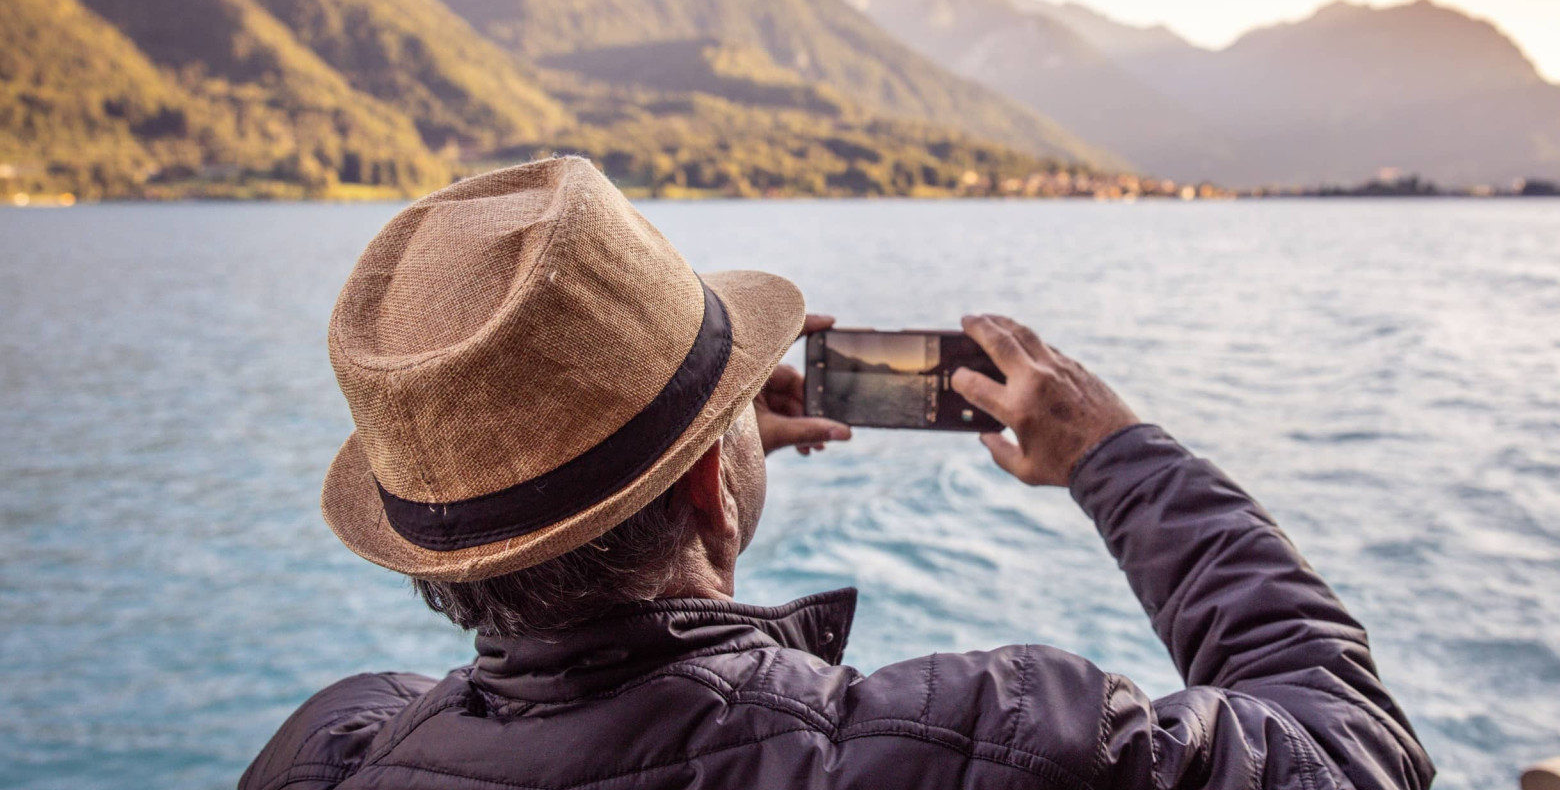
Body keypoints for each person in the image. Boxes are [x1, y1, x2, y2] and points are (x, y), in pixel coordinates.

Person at [241, 157, 1434, 790]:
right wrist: (1116, 456)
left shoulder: (332, 752)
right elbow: (1354, 750)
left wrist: (690, 454)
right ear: (712, 485)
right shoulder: (984, 742)